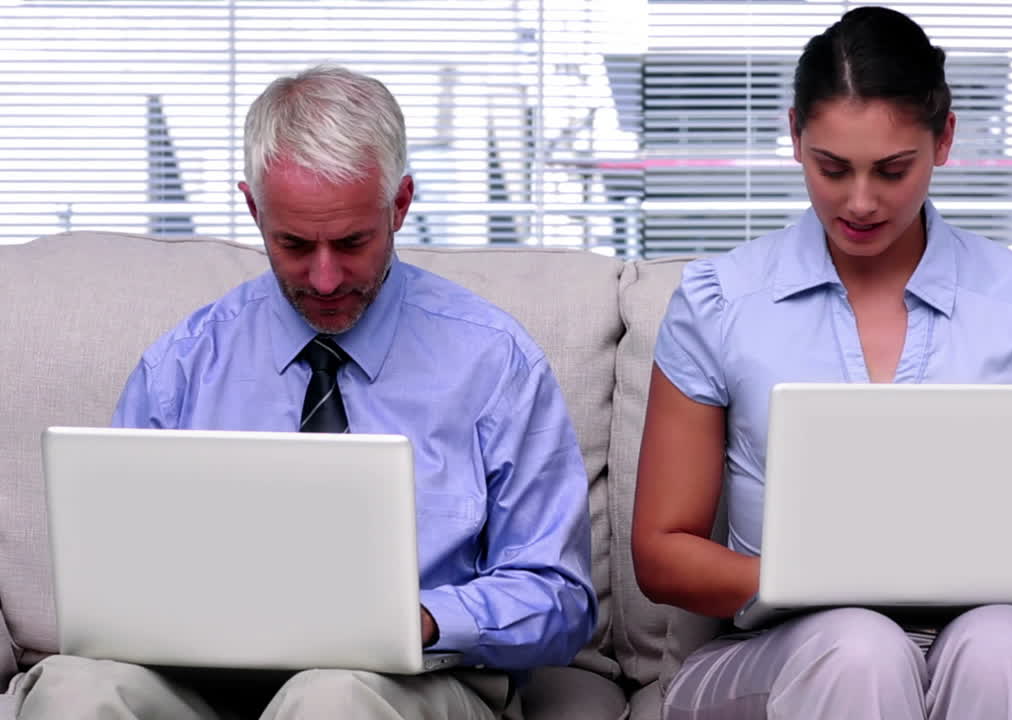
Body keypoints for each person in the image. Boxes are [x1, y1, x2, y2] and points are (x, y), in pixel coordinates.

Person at [14, 64, 596, 720]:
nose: (323, 279)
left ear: (400, 205)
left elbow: (561, 598)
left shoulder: (495, 364)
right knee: (72, 689)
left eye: (352, 243)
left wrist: (425, 618)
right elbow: (112, 587)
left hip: (399, 686)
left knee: (331, 698)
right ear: (254, 208)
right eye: (293, 244)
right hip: (202, 686)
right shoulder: (183, 366)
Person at [632, 6, 1012, 719]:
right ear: (794, 137)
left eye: (891, 170)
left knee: (1009, 646)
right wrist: (810, 580)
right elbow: (661, 553)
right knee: (860, 646)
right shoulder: (720, 300)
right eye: (831, 167)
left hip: (977, 634)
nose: (859, 202)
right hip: (782, 649)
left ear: (943, 139)